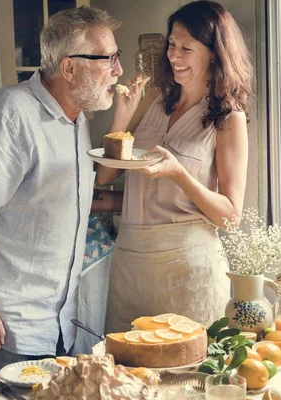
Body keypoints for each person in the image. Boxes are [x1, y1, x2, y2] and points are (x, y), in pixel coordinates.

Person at [0, 7, 132, 378]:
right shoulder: (10, 112)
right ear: (69, 68)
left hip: (59, 325)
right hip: (9, 328)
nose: (118, 70)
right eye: (108, 59)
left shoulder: (76, 119)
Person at [98, 0, 254, 333]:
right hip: (130, 262)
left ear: (214, 53)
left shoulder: (228, 118)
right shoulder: (155, 98)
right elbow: (106, 175)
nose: (174, 56)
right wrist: (123, 116)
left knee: (186, 379)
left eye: (186, 48)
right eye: (171, 45)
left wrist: (179, 173)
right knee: (126, 376)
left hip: (188, 269)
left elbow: (230, 216)